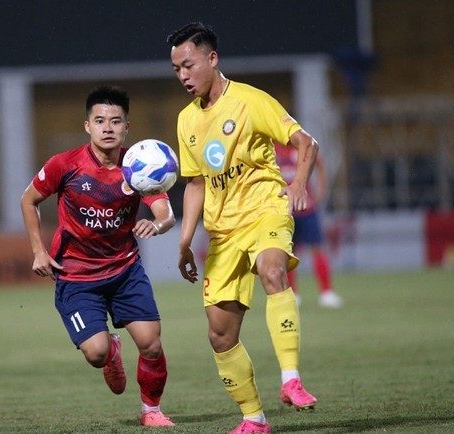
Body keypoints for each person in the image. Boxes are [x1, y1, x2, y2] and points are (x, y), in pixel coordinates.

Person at [167, 22, 318, 434]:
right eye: (176, 69)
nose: (182, 76)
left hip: (265, 211)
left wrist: (298, 184)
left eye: (188, 65)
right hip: (223, 233)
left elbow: (306, 142)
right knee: (220, 335)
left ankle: (291, 379)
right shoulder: (186, 120)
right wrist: (184, 242)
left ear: (212, 58)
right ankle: (254, 418)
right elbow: (195, 184)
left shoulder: (251, 101)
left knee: (273, 270)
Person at [20, 85, 175, 427]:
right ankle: (111, 352)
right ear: (87, 125)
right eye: (100, 121)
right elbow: (28, 200)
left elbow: (165, 213)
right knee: (96, 352)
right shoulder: (65, 164)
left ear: (126, 128)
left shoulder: (138, 166)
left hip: (125, 271)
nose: (108, 128)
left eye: (116, 121)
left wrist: (157, 224)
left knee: (151, 344)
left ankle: (151, 411)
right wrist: (38, 250)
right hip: (76, 277)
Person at [274, 142, 344, 308]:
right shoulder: (271, 147)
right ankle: (293, 294)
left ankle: (326, 292)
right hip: (283, 210)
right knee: (287, 253)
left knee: (317, 248)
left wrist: (321, 191)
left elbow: (320, 164)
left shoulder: (302, 145)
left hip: (306, 208)